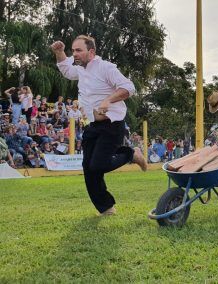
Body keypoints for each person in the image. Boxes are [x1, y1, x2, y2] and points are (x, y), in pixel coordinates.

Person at [51, 35, 147, 216]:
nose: (75, 54)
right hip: (92, 125)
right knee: (89, 168)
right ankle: (106, 208)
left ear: (91, 52)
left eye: (79, 50)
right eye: (73, 50)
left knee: (98, 165)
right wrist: (59, 52)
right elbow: (65, 69)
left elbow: (129, 87)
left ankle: (131, 154)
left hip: (112, 123)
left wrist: (108, 100)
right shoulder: (80, 68)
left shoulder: (106, 68)